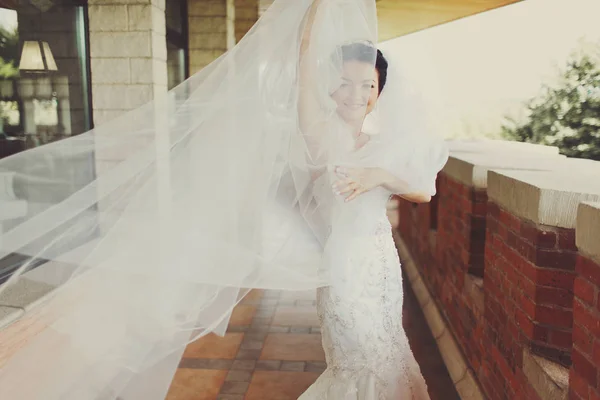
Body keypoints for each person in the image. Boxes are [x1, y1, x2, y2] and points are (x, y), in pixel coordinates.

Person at [0, 0, 447, 398]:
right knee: (361, 361)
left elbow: (423, 191)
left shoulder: (381, 146)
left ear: (378, 93)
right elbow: (305, 56)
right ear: (331, 87)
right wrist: (316, 6)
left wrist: (379, 175)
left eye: (368, 86)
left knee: (390, 350)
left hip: (381, 266)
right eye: (347, 83)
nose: (356, 94)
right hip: (344, 271)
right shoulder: (317, 136)